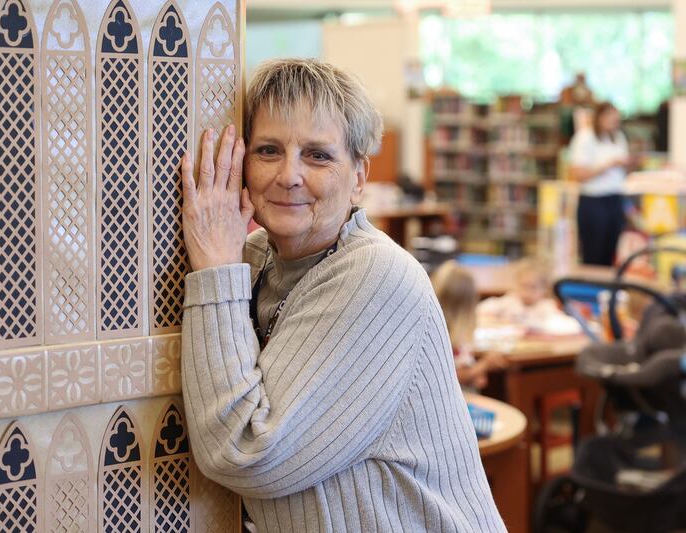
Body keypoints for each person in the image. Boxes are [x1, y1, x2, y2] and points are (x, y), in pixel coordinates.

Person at [179, 59, 504, 532]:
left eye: (318, 155)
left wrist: (214, 272)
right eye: (269, 150)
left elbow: (245, 451)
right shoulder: (253, 256)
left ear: (358, 177)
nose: (289, 175)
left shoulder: (377, 276)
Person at [569, 101, 630, 266]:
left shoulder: (618, 137)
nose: (614, 122)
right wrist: (607, 165)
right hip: (593, 201)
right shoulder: (585, 138)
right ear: (600, 117)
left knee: (610, 252)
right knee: (593, 252)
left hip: (615, 198)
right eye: (611, 118)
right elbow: (578, 174)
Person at [431, 260, 507, 391]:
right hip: (457, 398)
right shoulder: (451, 337)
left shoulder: (440, 328)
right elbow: (457, 376)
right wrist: (485, 364)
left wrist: (475, 374)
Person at [477, 258, 580, 335]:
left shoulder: (547, 306)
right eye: (523, 286)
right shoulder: (511, 301)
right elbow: (483, 309)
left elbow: (570, 326)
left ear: (545, 289)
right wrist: (496, 318)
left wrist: (535, 326)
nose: (526, 292)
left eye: (533, 288)